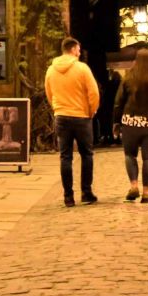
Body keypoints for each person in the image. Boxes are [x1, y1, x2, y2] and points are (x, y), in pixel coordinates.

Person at [44, 37, 99, 206]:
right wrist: (91, 111)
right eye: (79, 50)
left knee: (65, 157)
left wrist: (57, 109)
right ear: (73, 49)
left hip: (61, 116)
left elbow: (49, 93)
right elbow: (94, 93)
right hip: (81, 116)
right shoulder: (82, 68)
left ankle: (68, 196)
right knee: (86, 155)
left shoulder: (51, 70)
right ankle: (86, 192)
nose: (80, 53)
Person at [112, 48, 148, 203]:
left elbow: (118, 103)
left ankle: (134, 185)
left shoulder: (128, 79)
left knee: (130, 155)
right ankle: (146, 192)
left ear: (136, 61)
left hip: (130, 122)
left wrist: (116, 122)